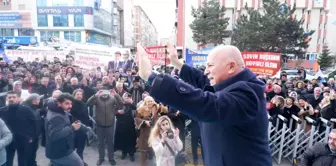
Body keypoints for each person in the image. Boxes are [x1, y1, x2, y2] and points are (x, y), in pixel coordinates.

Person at [136, 43, 272, 166]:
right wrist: (177, 63)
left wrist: (151, 77)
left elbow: (207, 104)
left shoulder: (247, 95)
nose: (206, 71)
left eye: (210, 66)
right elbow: (202, 80)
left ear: (231, 67)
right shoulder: (229, 84)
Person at [45, 93, 88, 166]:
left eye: (71, 103)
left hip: (60, 149)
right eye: (67, 103)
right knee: (79, 164)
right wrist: (72, 128)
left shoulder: (59, 111)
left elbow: (68, 122)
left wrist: (81, 126)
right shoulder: (56, 116)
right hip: (61, 151)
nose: (70, 106)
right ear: (59, 103)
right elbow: (54, 135)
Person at [0, 91, 37, 166]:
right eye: (9, 97)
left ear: (18, 98)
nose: (11, 99)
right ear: (6, 98)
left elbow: (34, 123)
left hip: (23, 139)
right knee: (8, 161)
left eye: (14, 97)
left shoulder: (26, 109)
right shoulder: (2, 110)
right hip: (8, 140)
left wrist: (31, 136)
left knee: (22, 161)